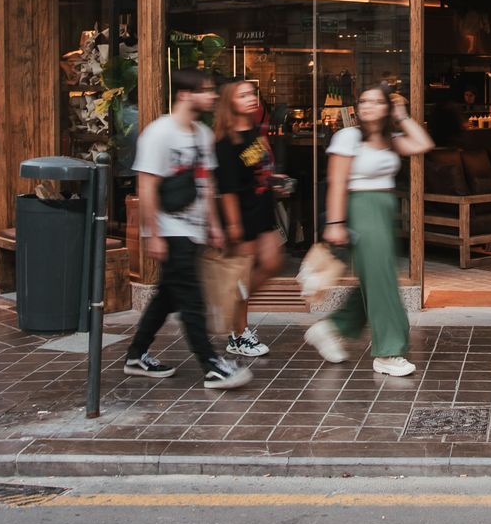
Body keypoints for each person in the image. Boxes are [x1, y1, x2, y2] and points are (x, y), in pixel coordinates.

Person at [121, 69, 251, 390]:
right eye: (205, 91)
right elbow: (147, 186)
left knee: (167, 296)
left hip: (192, 228)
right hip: (169, 227)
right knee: (191, 299)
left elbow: (206, 183)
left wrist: (215, 226)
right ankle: (211, 365)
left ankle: (136, 355)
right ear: (184, 95)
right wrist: (152, 234)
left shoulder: (203, 134)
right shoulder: (159, 133)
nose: (211, 96)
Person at [306, 84, 434, 376]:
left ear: (387, 107)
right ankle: (388, 353)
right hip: (361, 210)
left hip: (383, 210)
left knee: (376, 278)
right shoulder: (348, 136)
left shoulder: (390, 138)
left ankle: (330, 328)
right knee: (382, 282)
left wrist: (401, 115)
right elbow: (337, 182)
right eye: (364, 100)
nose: (368, 106)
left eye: (377, 102)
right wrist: (335, 223)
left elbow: (423, 143)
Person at [213, 76, 292, 358]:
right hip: (241, 215)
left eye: (251, 93)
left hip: (262, 209)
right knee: (242, 275)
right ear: (229, 102)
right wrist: (233, 224)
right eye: (242, 94)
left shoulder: (255, 132)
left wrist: (275, 179)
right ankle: (238, 333)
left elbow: (260, 168)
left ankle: (234, 309)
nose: (251, 97)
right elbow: (229, 188)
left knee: (272, 263)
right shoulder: (225, 141)